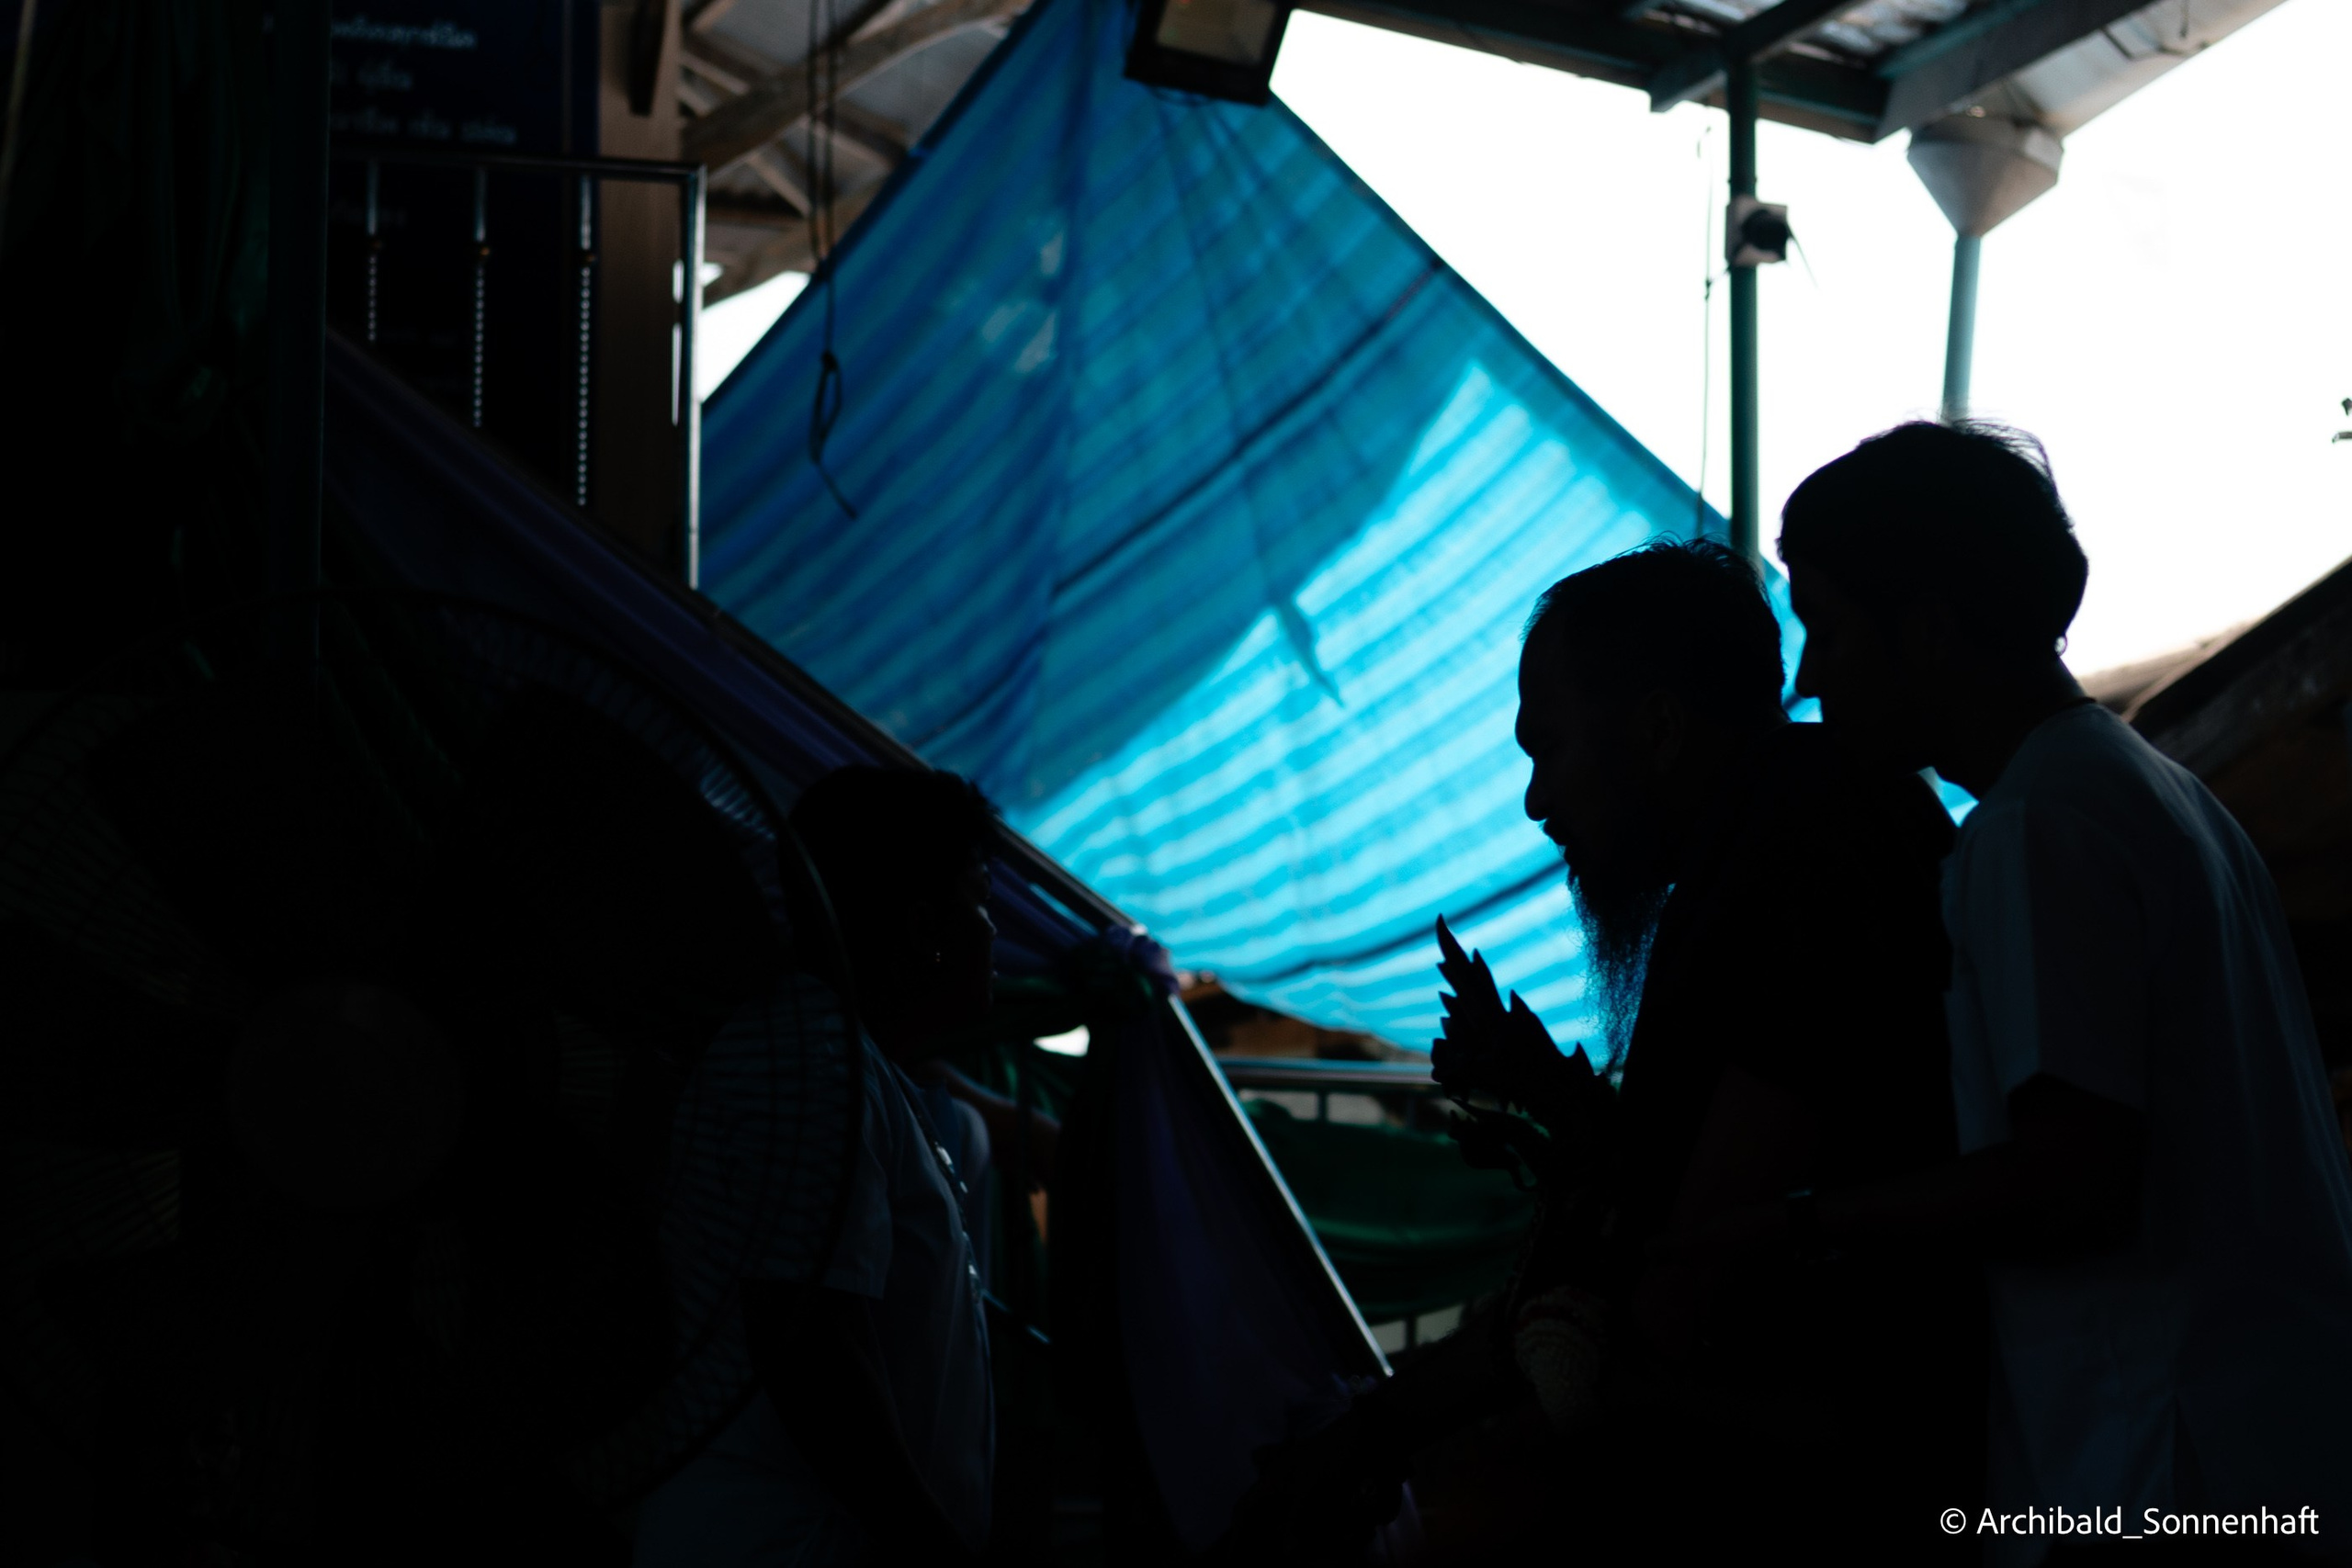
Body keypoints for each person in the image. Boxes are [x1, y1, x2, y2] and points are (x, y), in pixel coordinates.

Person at [1679, 421, 2352, 1564]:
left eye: (1830, 632)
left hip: (2158, 1477)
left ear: (1929, 631)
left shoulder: (2037, 827)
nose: (1807, 678)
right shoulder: (2162, 795)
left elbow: (2070, 1177)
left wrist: (1787, 1226)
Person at [1238, 540, 1981, 1562]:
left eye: (1547, 752)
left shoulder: (1802, 859)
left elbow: (1689, 1262)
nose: (1538, 803)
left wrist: (1426, 1453)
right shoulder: (1765, 845)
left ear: (1659, 730)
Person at [634, 766, 1006, 1567]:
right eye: (979, 900)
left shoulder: (842, 1061)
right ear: (921, 926)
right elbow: (808, 1347)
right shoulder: (813, 1065)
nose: (994, 931)